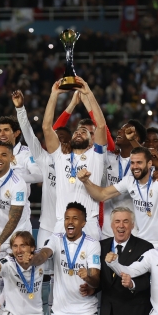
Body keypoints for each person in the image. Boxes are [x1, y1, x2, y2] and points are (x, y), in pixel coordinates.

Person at [12, 90, 72, 315]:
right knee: (39, 274)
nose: (60, 143)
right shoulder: (46, 160)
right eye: (57, 138)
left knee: (65, 276)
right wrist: (20, 109)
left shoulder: (79, 164)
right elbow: (28, 134)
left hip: (69, 230)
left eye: (64, 139)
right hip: (47, 227)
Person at [29, 202, 101, 315]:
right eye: (67, 218)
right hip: (60, 313)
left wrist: (88, 277)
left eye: (75, 218)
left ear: (83, 223)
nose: (70, 222)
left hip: (85, 311)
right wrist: (34, 259)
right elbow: (44, 253)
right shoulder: (56, 238)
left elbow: (96, 280)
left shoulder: (92, 244)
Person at [41, 78, 108, 240]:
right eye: (77, 131)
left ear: (92, 140)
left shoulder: (97, 155)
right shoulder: (60, 155)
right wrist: (54, 94)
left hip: (89, 223)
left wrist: (88, 93)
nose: (79, 133)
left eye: (84, 132)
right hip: (61, 222)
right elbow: (46, 127)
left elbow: (101, 126)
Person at [78, 147, 158, 248]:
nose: (135, 166)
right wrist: (86, 181)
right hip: (140, 241)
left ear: (149, 164)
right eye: (132, 163)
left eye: (139, 162)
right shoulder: (129, 181)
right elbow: (102, 195)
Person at [101, 120, 147, 239]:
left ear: (135, 137)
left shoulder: (142, 165)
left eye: (125, 130)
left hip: (134, 230)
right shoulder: (108, 158)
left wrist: (133, 141)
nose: (119, 131)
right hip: (107, 230)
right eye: (120, 129)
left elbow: (147, 157)